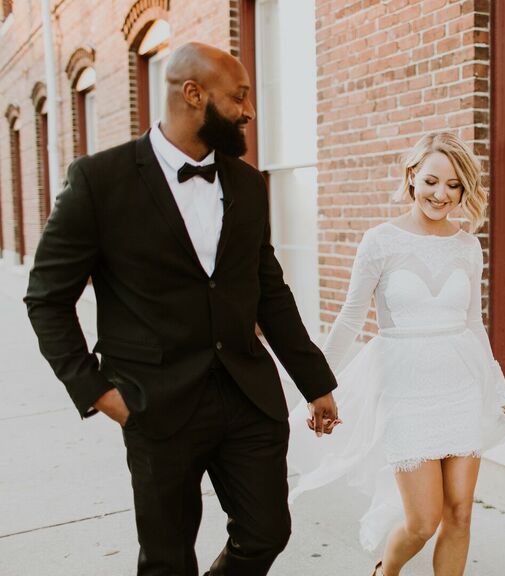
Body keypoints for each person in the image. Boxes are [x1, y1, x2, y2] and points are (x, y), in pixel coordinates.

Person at [24, 42, 339, 576]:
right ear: (194, 94)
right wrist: (98, 392)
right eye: (239, 97)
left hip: (246, 396)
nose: (249, 110)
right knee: (168, 559)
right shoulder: (99, 181)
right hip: (155, 402)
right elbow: (46, 300)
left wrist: (316, 381)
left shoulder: (244, 181)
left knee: (267, 533)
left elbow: (269, 289)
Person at [287, 132, 505, 576]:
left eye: (454, 186)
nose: (442, 194)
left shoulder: (469, 246)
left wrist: (496, 389)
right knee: (422, 520)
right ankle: (384, 573)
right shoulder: (380, 242)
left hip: (462, 386)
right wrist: (317, 386)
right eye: (432, 181)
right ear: (412, 176)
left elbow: (473, 324)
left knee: (460, 514)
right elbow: (350, 321)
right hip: (406, 392)